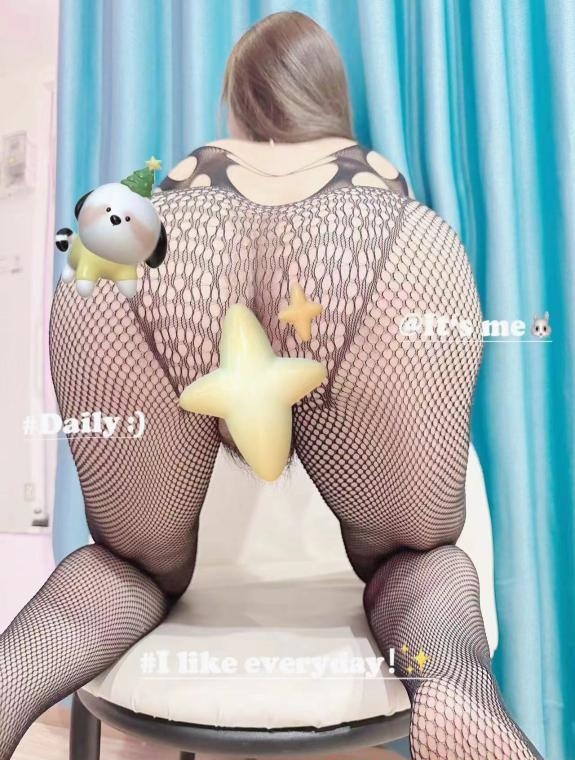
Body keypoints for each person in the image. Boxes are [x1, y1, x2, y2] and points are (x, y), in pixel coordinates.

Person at [0, 11, 543, 760]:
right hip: (368, 243)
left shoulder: (183, 176)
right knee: (417, 563)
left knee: (125, 566)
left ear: (238, 100)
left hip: (146, 249)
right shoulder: (376, 176)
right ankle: (452, 689)